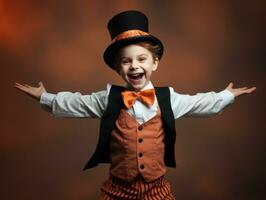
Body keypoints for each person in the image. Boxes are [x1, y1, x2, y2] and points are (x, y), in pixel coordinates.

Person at [14, 10, 256, 200]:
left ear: (155, 63)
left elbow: (200, 103)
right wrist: (44, 96)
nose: (134, 66)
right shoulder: (107, 99)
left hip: (157, 191)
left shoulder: (168, 98)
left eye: (141, 59)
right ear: (118, 68)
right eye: (126, 61)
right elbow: (77, 103)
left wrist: (226, 95)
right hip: (118, 191)